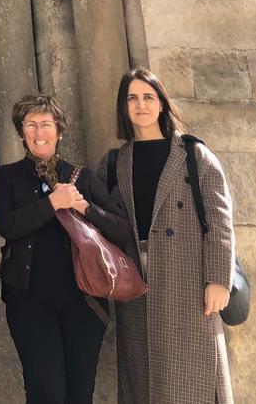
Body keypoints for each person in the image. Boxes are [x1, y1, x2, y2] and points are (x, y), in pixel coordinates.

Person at [99, 68, 234, 403]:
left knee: (192, 376)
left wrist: (219, 279)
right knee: (144, 380)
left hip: (188, 278)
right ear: (123, 107)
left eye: (148, 97)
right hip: (136, 280)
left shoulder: (193, 155)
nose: (140, 105)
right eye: (132, 98)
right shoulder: (115, 162)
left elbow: (220, 221)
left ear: (161, 104)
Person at [0, 95, 132, 403]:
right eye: (31, 125)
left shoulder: (81, 177)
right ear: (21, 131)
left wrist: (85, 207)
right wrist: (52, 203)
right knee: (45, 391)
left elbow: (121, 230)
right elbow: (8, 225)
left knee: (80, 391)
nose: (39, 132)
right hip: (29, 301)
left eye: (45, 124)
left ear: (59, 131)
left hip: (84, 303)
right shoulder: (6, 177)